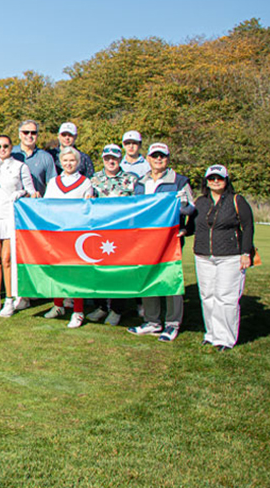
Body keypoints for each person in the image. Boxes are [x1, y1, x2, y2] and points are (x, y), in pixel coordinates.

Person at [128, 143, 196, 342]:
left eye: (162, 156)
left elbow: (191, 209)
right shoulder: (141, 182)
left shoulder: (179, 181)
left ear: (168, 159)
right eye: (155, 156)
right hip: (145, 239)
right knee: (148, 277)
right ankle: (152, 321)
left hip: (169, 239)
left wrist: (182, 206)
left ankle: (172, 324)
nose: (158, 159)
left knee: (169, 279)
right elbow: (134, 209)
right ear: (148, 158)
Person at [191, 165, 253, 352]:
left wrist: (245, 253)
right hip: (203, 256)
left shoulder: (237, 200)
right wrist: (183, 231)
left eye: (219, 178)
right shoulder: (201, 202)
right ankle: (211, 334)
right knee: (208, 296)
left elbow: (248, 227)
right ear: (206, 181)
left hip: (230, 256)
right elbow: (193, 226)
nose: (215, 181)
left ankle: (226, 338)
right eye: (211, 178)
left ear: (226, 180)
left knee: (226, 297)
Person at [0, 134, 36, 317]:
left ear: (11, 147)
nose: (2, 149)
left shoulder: (21, 167)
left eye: (5, 146)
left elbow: (32, 192)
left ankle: (10, 299)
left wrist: (22, 192)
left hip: (11, 218)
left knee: (7, 259)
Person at [88, 144, 141, 325]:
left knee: (119, 272)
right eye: (107, 158)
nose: (111, 161)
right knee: (99, 270)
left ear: (120, 159)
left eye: (115, 158)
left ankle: (117, 309)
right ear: (103, 159)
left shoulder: (130, 179)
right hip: (99, 232)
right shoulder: (94, 179)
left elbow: (139, 204)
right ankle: (102, 306)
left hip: (122, 233)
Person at [42, 146, 94, 327]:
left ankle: (78, 311)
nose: (68, 163)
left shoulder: (85, 182)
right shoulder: (54, 182)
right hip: (57, 233)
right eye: (65, 160)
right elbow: (46, 206)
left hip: (76, 234)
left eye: (72, 160)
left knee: (76, 273)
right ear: (60, 162)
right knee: (57, 270)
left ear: (77, 162)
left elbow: (88, 209)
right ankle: (58, 305)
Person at [11, 119, 55, 197]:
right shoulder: (10, 154)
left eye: (33, 133)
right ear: (19, 134)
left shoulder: (46, 157)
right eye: (26, 132)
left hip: (36, 205)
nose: (29, 135)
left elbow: (52, 185)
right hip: (13, 204)